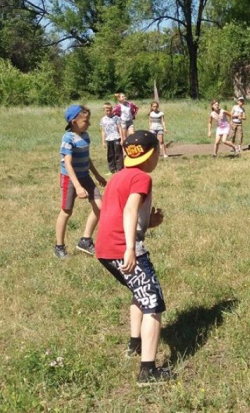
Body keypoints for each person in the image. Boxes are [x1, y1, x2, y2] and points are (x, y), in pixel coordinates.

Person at [95, 130, 174, 386]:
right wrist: (130, 247)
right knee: (152, 302)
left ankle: (134, 344)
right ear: (151, 154)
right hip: (124, 249)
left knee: (137, 292)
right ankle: (148, 371)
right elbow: (129, 209)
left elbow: (117, 213)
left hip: (105, 249)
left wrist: (148, 222)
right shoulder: (142, 178)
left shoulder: (118, 177)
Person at [54, 105, 107, 259]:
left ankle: (85, 240)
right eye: (86, 120)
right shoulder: (68, 138)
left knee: (100, 207)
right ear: (74, 121)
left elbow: (87, 159)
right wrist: (77, 186)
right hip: (70, 178)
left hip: (85, 176)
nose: (89, 123)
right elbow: (68, 163)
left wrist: (97, 175)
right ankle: (59, 246)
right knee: (66, 211)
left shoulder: (85, 136)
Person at [100, 102, 124, 173]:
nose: (108, 112)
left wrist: (122, 139)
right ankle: (112, 169)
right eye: (107, 111)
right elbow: (103, 131)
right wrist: (103, 141)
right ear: (104, 110)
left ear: (112, 110)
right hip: (108, 139)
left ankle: (120, 168)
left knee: (118, 153)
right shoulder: (103, 119)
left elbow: (120, 128)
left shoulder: (116, 118)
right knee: (110, 154)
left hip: (116, 137)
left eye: (110, 110)